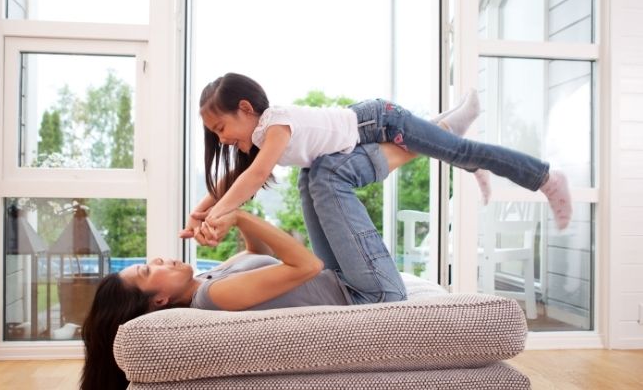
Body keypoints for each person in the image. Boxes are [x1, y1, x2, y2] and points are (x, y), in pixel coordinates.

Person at [81, 141, 416, 390]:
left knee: (311, 171)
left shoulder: (206, 279)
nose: (155, 260)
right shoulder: (212, 297)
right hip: (368, 293)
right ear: (159, 301)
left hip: (345, 278)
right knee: (328, 179)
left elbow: (257, 252)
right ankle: (433, 142)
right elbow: (306, 266)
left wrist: (230, 207)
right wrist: (240, 215)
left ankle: (428, 138)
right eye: (147, 271)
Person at [185, 72, 571, 244]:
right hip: (359, 132)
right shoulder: (254, 137)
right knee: (446, 146)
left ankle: (543, 177)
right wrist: (202, 211)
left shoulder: (275, 125)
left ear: (246, 108)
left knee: (458, 150)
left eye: (221, 128)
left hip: (378, 120)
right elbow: (233, 182)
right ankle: (458, 140)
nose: (222, 139)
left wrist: (219, 214)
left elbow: (253, 178)